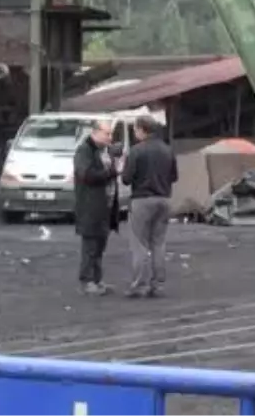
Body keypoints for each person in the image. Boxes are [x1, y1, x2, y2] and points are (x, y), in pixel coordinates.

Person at [120, 116, 177, 298]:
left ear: (142, 130)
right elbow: (174, 176)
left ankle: (139, 285)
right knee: (158, 243)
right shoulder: (168, 150)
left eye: (136, 129)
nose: (135, 133)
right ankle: (158, 284)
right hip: (164, 199)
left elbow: (126, 178)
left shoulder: (136, 151)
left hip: (142, 200)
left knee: (140, 244)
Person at [72, 120, 121, 296]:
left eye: (111, 134)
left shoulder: (105, 152)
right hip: (90, 206)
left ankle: (97, 279)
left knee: (100, 244)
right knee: (90, 245)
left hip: (105, 207)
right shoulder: (84, 151)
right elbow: (86, 175)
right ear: (95, 132)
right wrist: (111, 173)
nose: (110, 137)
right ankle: (86, 280)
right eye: (107, 134)